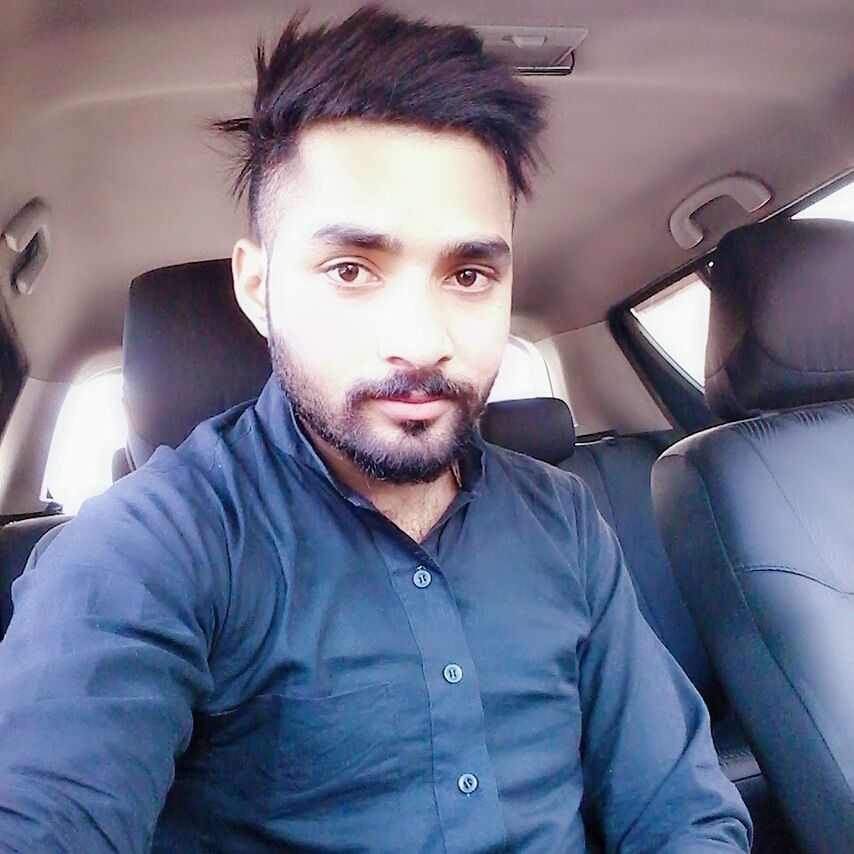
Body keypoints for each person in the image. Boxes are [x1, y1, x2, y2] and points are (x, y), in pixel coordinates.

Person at [0, 6, 752, 852]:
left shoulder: (566, 522)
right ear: (258, 289)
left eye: (468, 275)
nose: (423, 342)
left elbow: (683, 811)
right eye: (352, 269)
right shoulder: (150, 548)